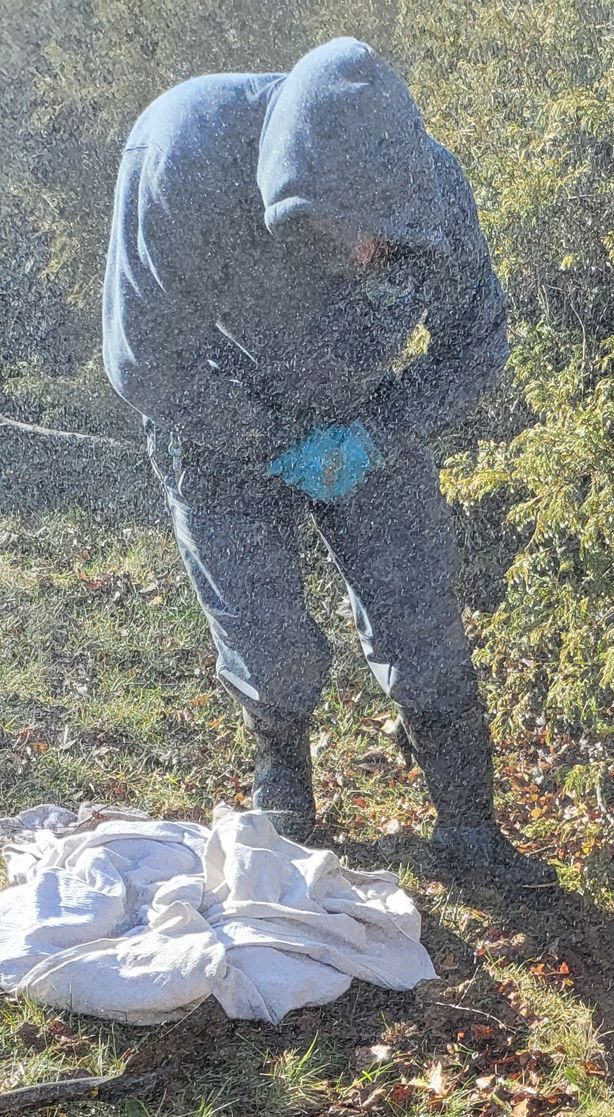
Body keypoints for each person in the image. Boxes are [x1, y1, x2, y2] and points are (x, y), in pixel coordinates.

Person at [101, 36, 550, 887]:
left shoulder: (433, 188)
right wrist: (268, 442)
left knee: (419, 615)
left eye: (382, 239)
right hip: (216, 415)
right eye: (344, 233)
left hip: (364, 416)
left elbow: (476, 341)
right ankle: (284, 786)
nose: (363, 256)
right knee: (264, 632)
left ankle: (469, 828)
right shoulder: (182, 153)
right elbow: (142, 362)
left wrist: (375, 435)